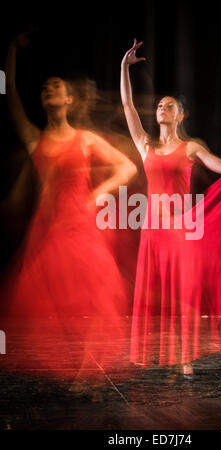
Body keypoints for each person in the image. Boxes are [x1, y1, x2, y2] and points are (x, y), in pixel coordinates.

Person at [121, 39, 221, 378]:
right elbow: (128, 107)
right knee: (154, 297)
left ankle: (183, 356)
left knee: (181, 298)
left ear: (180, 114)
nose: (161, 108)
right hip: (152, 231)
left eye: (168, 106)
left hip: (179, 230)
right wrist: (124, 68)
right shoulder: (145, 145)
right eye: (160, 106)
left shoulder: (191, 147)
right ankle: (151, 353)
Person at [0, 31, 137, 390]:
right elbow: (10, 93)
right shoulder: (36, 139)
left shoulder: (86, 138)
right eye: (45, 87)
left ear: (69, 98)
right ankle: (80, 367)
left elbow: (127, 168)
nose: (49, 89)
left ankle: (88, 370)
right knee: (52, 304)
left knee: (96, 296)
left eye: (56, 86)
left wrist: (99, 192)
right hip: (48, 229)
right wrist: (11, 49)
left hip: (82, 227)